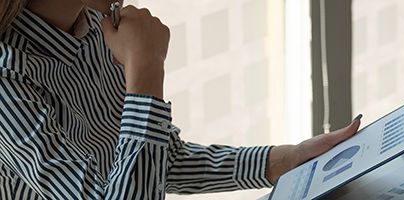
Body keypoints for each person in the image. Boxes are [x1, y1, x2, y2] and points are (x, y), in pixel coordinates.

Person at [0, 0, 361, 199]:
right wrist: (145, 70)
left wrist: (282, 161)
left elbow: (155, 162)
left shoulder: (96, 26)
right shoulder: (8, 79)